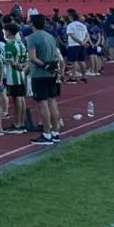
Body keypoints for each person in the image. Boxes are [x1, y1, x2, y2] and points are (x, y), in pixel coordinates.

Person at [25, 13, 63, 146]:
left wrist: (44, 65)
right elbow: (56, 55)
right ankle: (55, 132)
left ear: (32, 24)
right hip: (51, 74)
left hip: (39, 74)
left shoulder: (32, 37)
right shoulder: (50, 36)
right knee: (52, 102)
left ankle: (47, 134)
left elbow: (32, 57)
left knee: (42, 104)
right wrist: (52, 66)